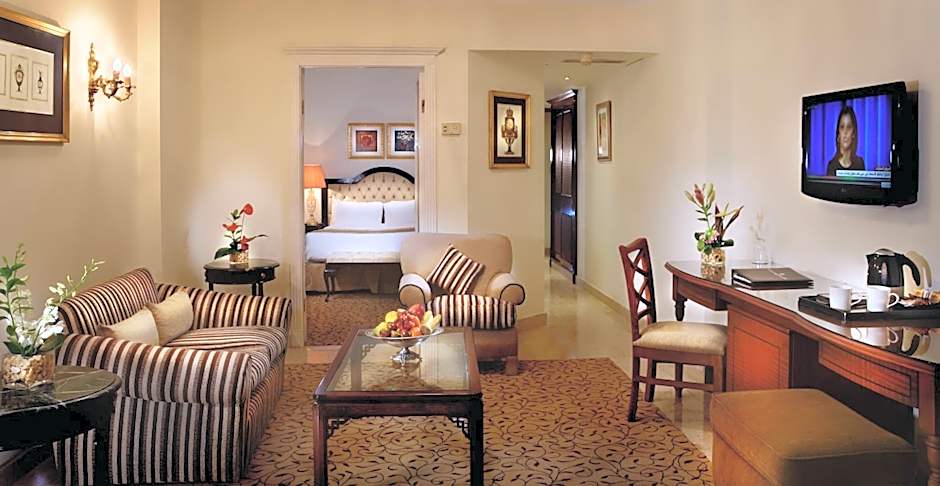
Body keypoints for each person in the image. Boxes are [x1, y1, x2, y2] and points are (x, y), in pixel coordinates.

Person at [826, 105, 866, 176]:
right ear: (838, 135)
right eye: (842, 127)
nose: (845, 132)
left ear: (853, 134)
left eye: (849, 127)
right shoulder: (831, 166)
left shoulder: (860, 164)